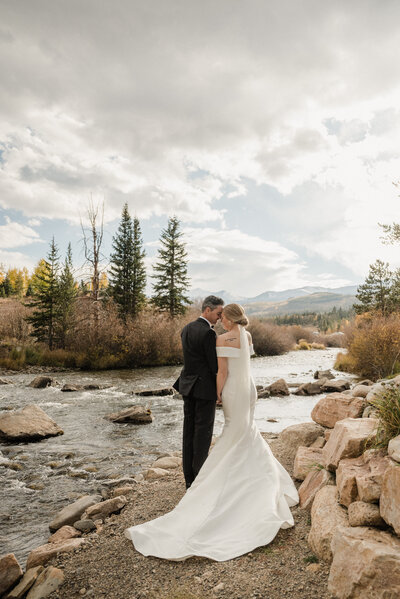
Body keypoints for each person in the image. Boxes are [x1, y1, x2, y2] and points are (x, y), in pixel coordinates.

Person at [125, 303, 299, 561]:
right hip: (249, 389)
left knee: (233, 431)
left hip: (232, 390)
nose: (221, 321)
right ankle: (255, 477)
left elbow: (224, 371)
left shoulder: (222, 338)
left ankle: (218, 480)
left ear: (228, 318)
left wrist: (218, 393)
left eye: (223, 317)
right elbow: (245, 363)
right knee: (247, 431)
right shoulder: (247, 336)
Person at [173, 295, 224, 489]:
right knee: (202, 434)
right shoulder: (209, 333)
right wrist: (219, 390)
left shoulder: (186, 328)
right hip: (204, 389)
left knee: (188, 433)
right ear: (207, 310)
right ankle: (199, 480)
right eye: (218, 313)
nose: (219, 317)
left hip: (187, 386)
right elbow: (213, 366)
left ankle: (188, 479)